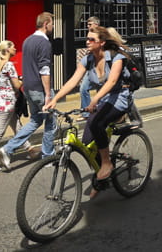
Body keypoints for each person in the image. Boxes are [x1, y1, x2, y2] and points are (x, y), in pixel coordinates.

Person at [45, 26, 134, 196]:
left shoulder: (116, 58)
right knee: (87, 144)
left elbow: (112, 81)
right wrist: (55, 99)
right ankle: (103, 176)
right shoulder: (88, 60)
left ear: (101, 42)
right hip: (103, 100)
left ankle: (107, 164)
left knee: (98, 124)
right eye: (87, 39)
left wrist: (94, 99)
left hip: (120, 98)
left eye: (91, 39)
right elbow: (72, 81)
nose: (87, 42)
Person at [0, 12, 56, 171]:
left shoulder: (27, 41)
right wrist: (48, 95)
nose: (53, 26)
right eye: (52, 23)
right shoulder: (44, 43)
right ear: (46, 24)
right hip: (40, 89)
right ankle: (48, 157)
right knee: (51, 122)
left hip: (28, 88)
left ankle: (8, 149)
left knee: (35, 120)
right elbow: (44, 70)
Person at [0, 40, 39, 174]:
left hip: (2, 101)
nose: (15, 48)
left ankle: (30, 150)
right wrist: (24, 79)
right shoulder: (9, 65)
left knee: (18, 128)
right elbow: (17, 86)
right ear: (7, 50)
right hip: (7, 103)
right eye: (13, 47)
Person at [79, 16, 101, 117]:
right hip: (91, 67)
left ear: (96, 24)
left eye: (90, 24)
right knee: (83, 88)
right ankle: (86, 113)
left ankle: (99, 112)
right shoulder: (90, 34)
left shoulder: (102, 35)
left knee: (101, 91)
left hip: (101, 67)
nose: (87, 26)